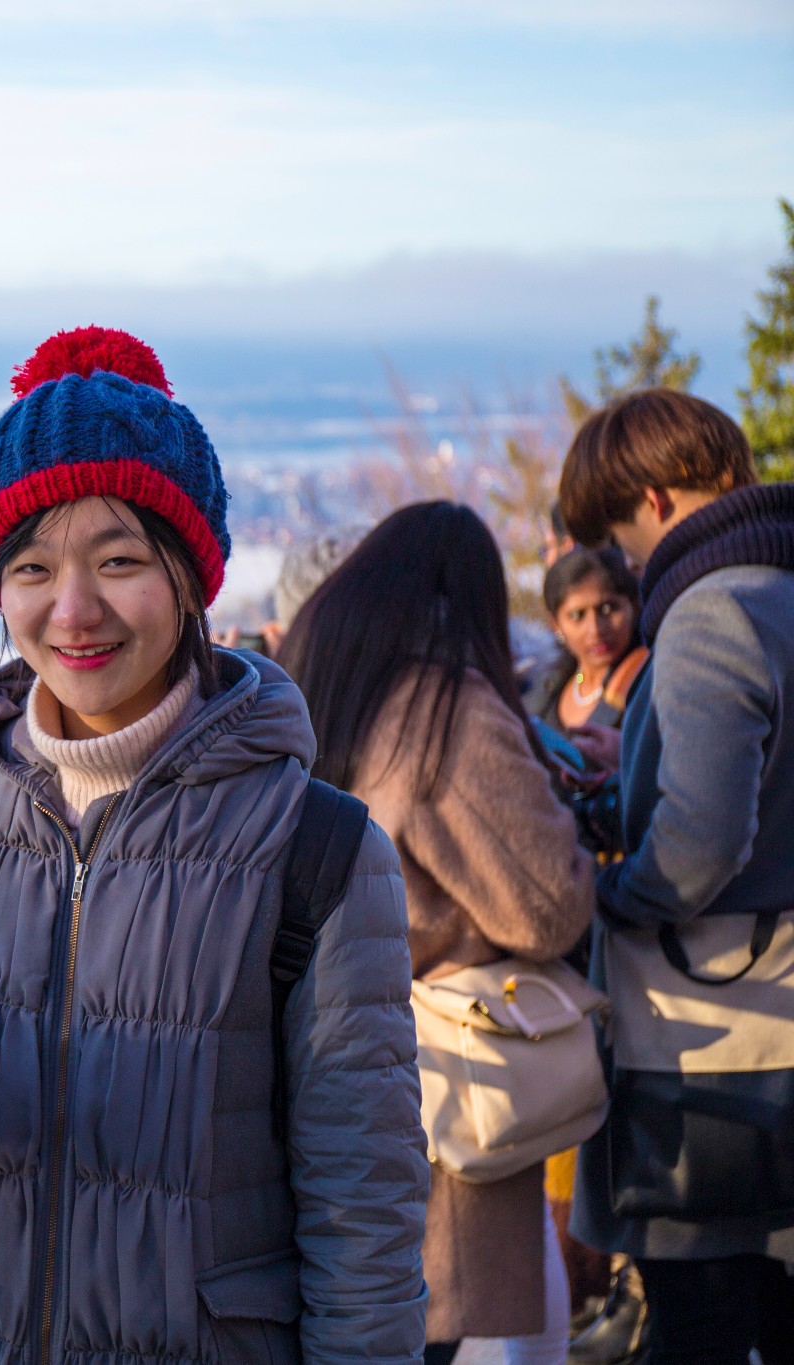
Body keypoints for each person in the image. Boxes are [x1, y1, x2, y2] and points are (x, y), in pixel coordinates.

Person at [0, 326, 429, 1363]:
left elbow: (364, 1211)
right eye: (32, 566)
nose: (72, 609)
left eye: (119, 561)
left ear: (190, 580)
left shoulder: (313, 847)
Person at [279, 501, 595, 1365]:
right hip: (436, 1070)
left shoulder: (318, 683)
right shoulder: (440, 708)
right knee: (438, 1325)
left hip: (318, 1052)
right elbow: (545, 902)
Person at [555, 388, 794, 1364]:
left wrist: (610, 897)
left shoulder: (708, 612)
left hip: (714, 1047)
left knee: (695, 1316)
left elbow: (697, 846)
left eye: (616, 535)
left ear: (651, 501)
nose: (623, 560)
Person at [535, 546, 647, 736]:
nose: (595, 630)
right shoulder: (549, 690)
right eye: (577, 615)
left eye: (607, 609)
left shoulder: (649, 685)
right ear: (555, 624)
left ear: (633, 606)